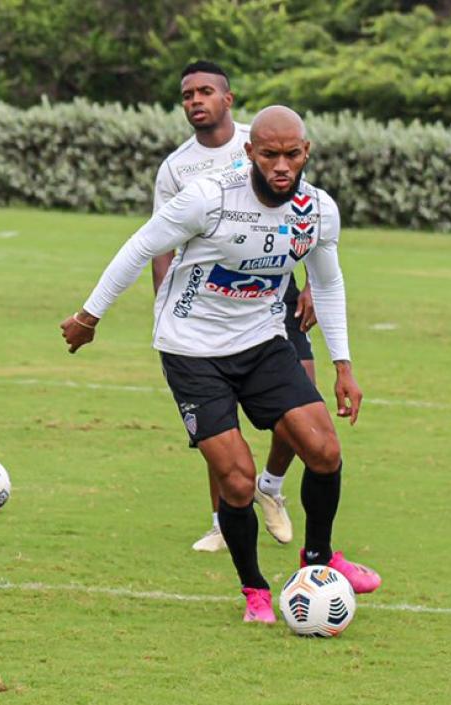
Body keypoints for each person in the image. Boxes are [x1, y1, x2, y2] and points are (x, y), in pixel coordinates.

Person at [61, 106, 380, 623]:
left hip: (261, 339)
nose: (282, 165)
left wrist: (343, 366)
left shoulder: (317, 210)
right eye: (270, 154)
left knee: (323, 448)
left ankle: (318, 563)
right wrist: (88, 315)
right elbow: (141, 244)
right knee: (236, 480)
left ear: (307, 153)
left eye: (292, 154)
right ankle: (254, 589)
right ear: (251, 152)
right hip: (191, 349)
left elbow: (328, 281)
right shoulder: (209, 198)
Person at [153, 61, 317, 553]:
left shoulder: (267, 137)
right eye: (187, 95)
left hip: (273, 287)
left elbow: (303, 207)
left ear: (228, 99)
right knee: (219, 418)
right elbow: (161, 242)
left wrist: (309, 282)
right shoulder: (176, 168)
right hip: (208, 297)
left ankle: (270, 485)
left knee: (303, 394)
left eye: (205, 92)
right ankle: (224, 520)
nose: (195, 101)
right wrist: (167, 305)